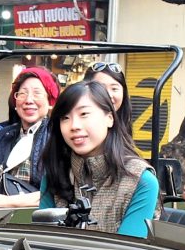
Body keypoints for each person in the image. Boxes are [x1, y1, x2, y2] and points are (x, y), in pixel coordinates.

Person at [40, 81, 160, 237]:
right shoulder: (55, 175)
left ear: (109, 118)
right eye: (65, 118)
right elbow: (41, 240)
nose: (74, 125)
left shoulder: (140, 181)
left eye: (84, 114)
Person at [0, 66, 60, 209]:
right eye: (22, 93)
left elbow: (59, 192)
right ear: (15, 102)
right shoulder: (0, 136)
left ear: (50, 102)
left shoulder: (58, 137)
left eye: (37, 93)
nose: (29, 100)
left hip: (37, 225)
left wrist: (4, 202)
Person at [84, 61, 134, 136]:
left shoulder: (124, 126)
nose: (109, 95)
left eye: (114, 89)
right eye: (101, 88)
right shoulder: (80, 126)